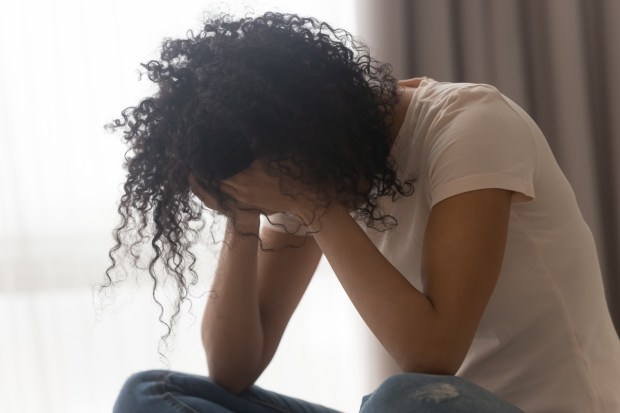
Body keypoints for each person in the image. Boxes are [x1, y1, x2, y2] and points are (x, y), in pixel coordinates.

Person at [108, 11, 620, 413]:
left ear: (318, 132)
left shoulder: (470, 126)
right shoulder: (305, 172)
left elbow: (433, 356)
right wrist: (239, 213)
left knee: (401, 399)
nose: (277, 207)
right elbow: (233, 369)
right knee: (152, 397)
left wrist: (311, 201)